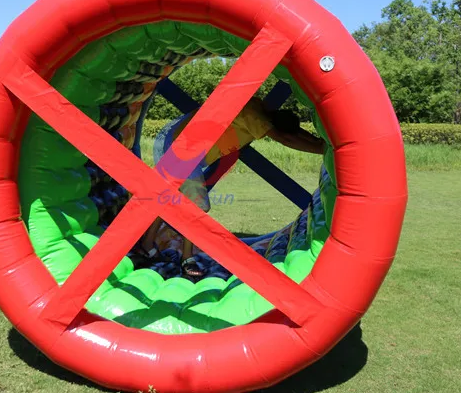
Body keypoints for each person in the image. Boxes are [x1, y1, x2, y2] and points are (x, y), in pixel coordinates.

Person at [136, 96, 326, 280]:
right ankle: (187, 259)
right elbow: (288, 139)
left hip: (178, 140)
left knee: (169, 196)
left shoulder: (259, 107)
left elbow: (293, 134)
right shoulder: (255, 117)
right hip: (183, 148)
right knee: (198, 206)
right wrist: (324, 149)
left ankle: (147, 244)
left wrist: (320, 143)